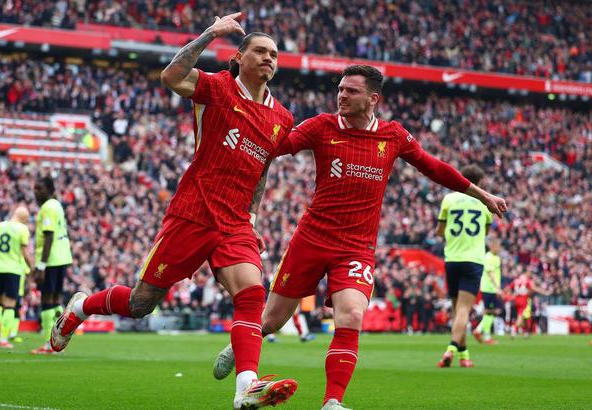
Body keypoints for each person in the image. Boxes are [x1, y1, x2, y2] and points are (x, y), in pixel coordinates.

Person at [213, 65, 508, 409]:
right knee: (272, 319)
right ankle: (243, 343)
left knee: (352, 314)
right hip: (311, 240)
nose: (342, 96)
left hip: (356, 248)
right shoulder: (321, 126)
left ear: (373, 99)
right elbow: (272, 147)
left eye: (351, 91)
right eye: (340, 89)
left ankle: (332, 402)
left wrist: (480, 194)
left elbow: (433, 166)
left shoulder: (393, 136)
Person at [51, 13, 297, 409]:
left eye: (274, 54)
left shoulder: (282, 117)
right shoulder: (218, 86)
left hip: (235, 222)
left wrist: (252, 217)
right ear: (238, 57)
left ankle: (246, 387)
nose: (269, 58)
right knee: (141, 303)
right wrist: (209, 34)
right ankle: (79, 308)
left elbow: (262, 169)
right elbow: (171, 76)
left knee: (252, 293)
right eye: (260, 51)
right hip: (193, 212)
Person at [436, 165, 495, 368]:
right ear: (480, 182)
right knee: (463, 310)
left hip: (452, 259)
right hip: (473, 260)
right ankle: (451, 349)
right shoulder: (485, 202)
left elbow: (440, 231)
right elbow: (485, 232)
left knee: (456, 310)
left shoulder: (449, 199)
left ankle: (464, 355)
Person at [30, 176, 73, 354]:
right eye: (34, 188)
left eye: (39, 188)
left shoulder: (47, 207)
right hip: (62, 256)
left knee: (47, 299)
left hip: (51, 259)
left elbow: (49, 236)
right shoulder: (57, 205)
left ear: (49, 189)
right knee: (56, 300)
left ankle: (49, 344)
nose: (36, 192)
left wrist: (41, 266)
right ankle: (60, 341)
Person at [0, 206, 34, 349]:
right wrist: (33, 267)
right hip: (13, 269)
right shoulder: (22, 229)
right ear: (24, 218)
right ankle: (3, 339)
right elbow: (25, 252)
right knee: (10, 305)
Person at [473, 238, 504, 344]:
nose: (499, 248)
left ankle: (484, 335)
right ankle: (480, 330)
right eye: (497, 246)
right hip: (489, 289)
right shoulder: (488, 257)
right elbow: (490, 274)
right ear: (492, 246)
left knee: (490, 312)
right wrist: (498, 288)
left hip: (492, 289)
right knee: (495, 310)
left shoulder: (497, 258)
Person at [507, 270, 550, 339]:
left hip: (516, 300)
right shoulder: (527, 280)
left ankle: (525, 332)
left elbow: (509, 288)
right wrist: (545, 292)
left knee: (522, 317)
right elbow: (534, 288)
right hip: (524, 300)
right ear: (526, 273)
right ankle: (514, 328)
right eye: (529, 273)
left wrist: (504, 293)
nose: (530, 275)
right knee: (522, 317)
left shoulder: (516, 280)